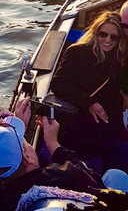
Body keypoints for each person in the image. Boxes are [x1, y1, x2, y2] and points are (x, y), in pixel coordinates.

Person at [0, 98, 128, 211]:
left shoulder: (1, 198)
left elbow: (3, 150)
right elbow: (95, 183)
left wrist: (18, 127)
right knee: (115, 175)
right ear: (27, 156)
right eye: (25, 142)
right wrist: (52, 143)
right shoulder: (66, 175)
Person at [50, 11, 128, 173]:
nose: (107, 40)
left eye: (114, 37)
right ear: (95, 32)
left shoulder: (120, 57)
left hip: (112, 124)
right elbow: (58, 83)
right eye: (103, 34)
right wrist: (89, 103)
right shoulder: (77, 52)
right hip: (82, 122)